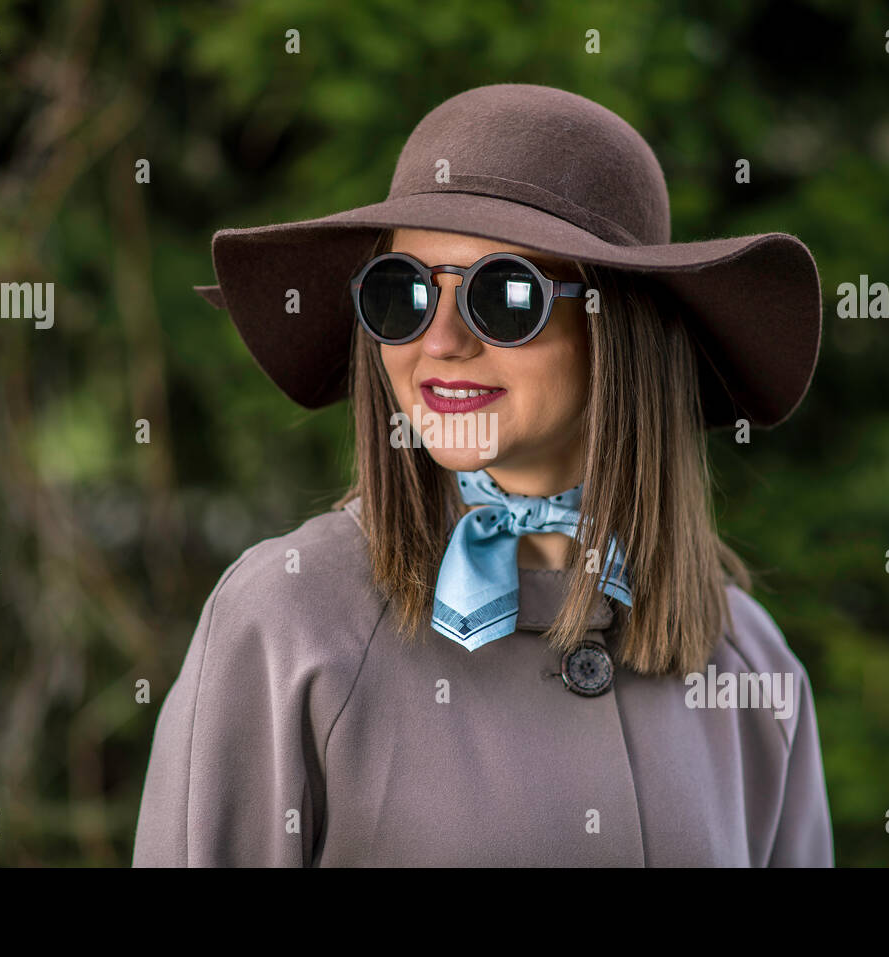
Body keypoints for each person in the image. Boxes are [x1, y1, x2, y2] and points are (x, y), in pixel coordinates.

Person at [133, 83, 833, 866]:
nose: (442, 340)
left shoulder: (751, 669)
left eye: (504, 295)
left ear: (625, 327)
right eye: (403, 292)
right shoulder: (285, 626)